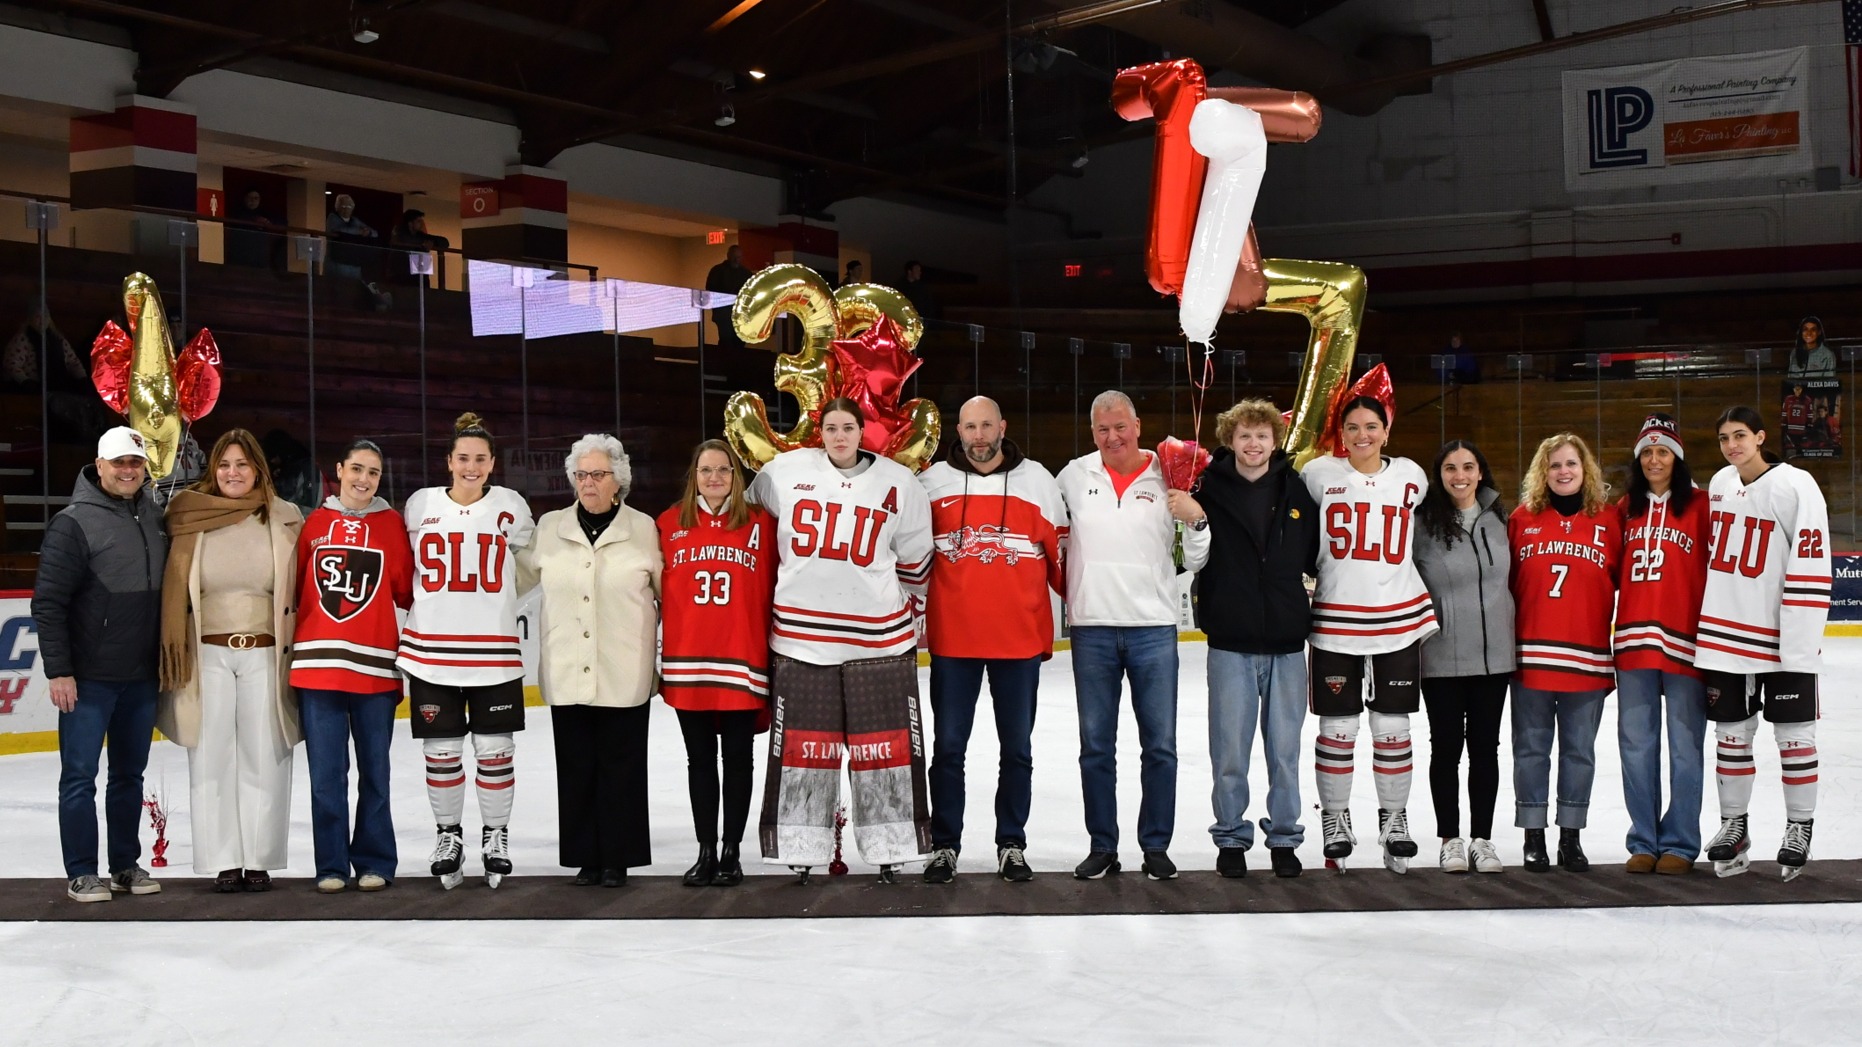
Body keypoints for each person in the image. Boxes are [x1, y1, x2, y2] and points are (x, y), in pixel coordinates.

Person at [750, 397, 935, 883]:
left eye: (848, 427)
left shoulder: (899, 482)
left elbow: (917, 564)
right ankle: (800, 844)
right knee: (803, 752)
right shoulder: (782, 473)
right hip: (801, 643)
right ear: (820, 430)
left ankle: (891, 845)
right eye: (830, 427)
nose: (839, 436)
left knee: (886, 752)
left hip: (880, 644)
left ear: (861, 430)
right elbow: (749, 528)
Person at [1057, 390, 1210, 881]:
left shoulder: (1170, 474)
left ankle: (1156, 846)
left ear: (1138, 425)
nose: (1112, 437)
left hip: (1154, 630)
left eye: (1120, 426)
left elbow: (1198, 556)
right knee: (1095, 747)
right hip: (1092, 630)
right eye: (1102, 429)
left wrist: (1199, 519)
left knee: (1160, 746)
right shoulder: (1073, 477)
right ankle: (1103, 845)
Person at [918, 396, 1067, 884]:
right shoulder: (932, 483)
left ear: (1002, 426)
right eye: (969, 427)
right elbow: (909, 555)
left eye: (986, 425)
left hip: (1018, 643)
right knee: (949, 750)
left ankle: (1011, 843)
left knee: (1017, 750)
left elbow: (1063, 561)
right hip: (953, 644)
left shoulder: (1038, 481)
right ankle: (944, 845)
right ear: (957, 432)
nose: (979, 436)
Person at [158, 428, 305, 892]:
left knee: (266, 755)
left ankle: (258, 859)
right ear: (212, 469)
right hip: (207, 655)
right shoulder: (188, 514)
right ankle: (224, 861)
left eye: (242, 464)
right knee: (211, 758)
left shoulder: (286, 517)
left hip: (264, 652)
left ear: (258, 468)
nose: (232, 473)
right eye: (224, 464)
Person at [1180, 398, 1317, 879]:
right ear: (1229, 440)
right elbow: (1191, 556)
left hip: (1285, 640)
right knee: (1230, 750)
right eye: (1244, 435)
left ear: (1274, 441)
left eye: (1262, 435)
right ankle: (1232, 837)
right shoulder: (1207, 488)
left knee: (1284, 751)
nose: (1253, 444)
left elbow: (1314, 555)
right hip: (1231, 640)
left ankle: (1284, 837)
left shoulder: (1297, 490)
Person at [1300, 396, 1437, 874]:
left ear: (1386, 429)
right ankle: (1335, 819)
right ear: (1341, 431)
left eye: (1372, 426)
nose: (1363, 435)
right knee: (1337, 730)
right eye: (1353, 426)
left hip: (1398, 618)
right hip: (1334, 620)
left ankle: (1394, 818)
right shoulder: (1318, 474)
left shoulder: (1412, 475)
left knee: (1393, 729)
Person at [400, 412, 536, 889]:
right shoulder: (420, 505)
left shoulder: (511, 507)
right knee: (441, 752)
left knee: (496, 752)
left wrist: (499, 603)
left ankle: (495, 835)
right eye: (463, 458)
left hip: (494, 653)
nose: (471, 466)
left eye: (480, 459)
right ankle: (448, 835)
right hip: (432, 653)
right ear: (449, 461)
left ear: (492, 463)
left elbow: (531, 564)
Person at [518, 434, 660, 888]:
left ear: (618, 479)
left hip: (625, 667)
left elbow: (667, 596)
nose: (588, 483)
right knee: (576, 766)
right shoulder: (551, 527)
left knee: (622, 766)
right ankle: (585, 856)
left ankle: (617, 857)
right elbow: (513, 578)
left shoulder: (643, 528)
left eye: (598, 475)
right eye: (581, 475)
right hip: (566, 666)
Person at [33, 427, 168, 903]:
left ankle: (125, 866)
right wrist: (59, 670)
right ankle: (82, 871)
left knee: (129, 777)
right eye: (119, 463)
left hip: (141, 677)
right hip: (88, 680)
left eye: (135, 462)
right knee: (79, 778)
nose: (128, 470)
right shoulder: (73, 523)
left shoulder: (155, 515)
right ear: (99, 464)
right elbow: (48, 602)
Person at [1696, 406, 1829, 880]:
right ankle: (1734, 824)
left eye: (1740, 436)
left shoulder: (1796, 484)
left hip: (1780, 638)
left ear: (1760, 437)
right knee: (1731, 737)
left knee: (1794, 738)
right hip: (1723, 636)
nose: (1732, 445)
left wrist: (1800, 642)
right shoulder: (1718, 485)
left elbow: (1812, 563)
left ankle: (1799, 828)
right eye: (1724, 438)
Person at [291, 438, 414, 893]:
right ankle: (330, 865)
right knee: (326, 776)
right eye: (357, 469)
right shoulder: (313, 524)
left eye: (374, 473)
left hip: (376, 669)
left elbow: (403, 589)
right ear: (339, 470)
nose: (364, 479)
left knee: (375, 774)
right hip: (317, 669)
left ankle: (375, 861)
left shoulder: (391, 525)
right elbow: (298, 588)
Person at [657, 439, 776, 888]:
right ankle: (705, 849)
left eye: (723, 470)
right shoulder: (668, 524)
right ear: (694, 475)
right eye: (705, 470)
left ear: (735, 475)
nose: (714, 478)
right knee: (700, 761)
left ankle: (732, 851)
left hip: (741, 663)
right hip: (689, 665)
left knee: (740, 760)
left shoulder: (761, 524)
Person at [1508, 432, 1620, 873]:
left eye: (1571, 463)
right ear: (1543, 472)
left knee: (1579, 752)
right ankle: (1533, 834)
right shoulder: (1521, 519)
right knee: (1530, 751)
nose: (1564, 471)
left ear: (1585, 469)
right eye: (1554, 465)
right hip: (1531, 658)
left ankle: (1570, 836)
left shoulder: (1610, 520)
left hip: (1587, 660)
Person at [1612, 414, 1711, 875]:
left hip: (1687, 644)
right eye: (1647, 452)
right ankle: (1643, 841)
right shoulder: (1622, 509)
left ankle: (1680, 843)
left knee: (1685, 747)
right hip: (1632, 642)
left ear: (1678, 457)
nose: (1654, 459)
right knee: (1636, 745)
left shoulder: (1702, 506)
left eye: (1663, 451)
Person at [1413, 439, 1514, 875]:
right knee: (1446, 749)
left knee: (1486, 750)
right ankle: (1450, 839)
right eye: (1451, 468)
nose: (1460, 475)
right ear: (1439, 475)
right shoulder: (1422, 524)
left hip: (1495, 660)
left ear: (1480, 471)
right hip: (1443, 656)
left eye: (1468, 466)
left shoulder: (1500, 519)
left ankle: (1483, 840)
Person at [705, 244, 753, 351]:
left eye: (739, 257)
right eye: (734, 257)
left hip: (739, 315)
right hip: (724, 315)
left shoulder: (745, 274)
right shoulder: (718, 271)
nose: (736, 260)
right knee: (727, 343)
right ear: (728, 256)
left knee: (738, 343)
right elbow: (711, 290)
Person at [389, 209, 450, 286]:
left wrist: (432, 243)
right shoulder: (399, 233)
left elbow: (445, 242)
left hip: (418, 277)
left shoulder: (420, 235)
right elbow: (405, 240)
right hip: (401, 276)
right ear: (410, 223)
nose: (421, 224)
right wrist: (423, 243)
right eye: (418, 221)